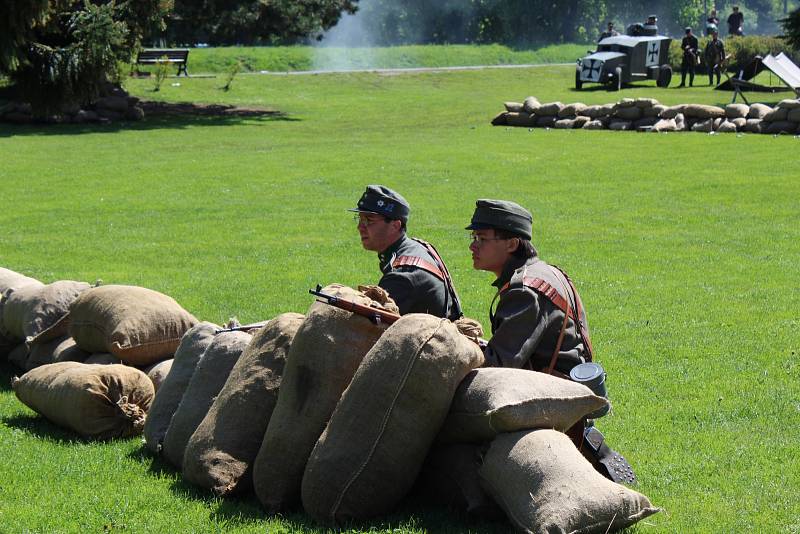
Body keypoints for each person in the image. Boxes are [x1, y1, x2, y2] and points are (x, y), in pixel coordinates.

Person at [465, 199, 636, 484]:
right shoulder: (544, 272)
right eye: (473, 238)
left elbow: (498, 363)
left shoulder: (525, 290)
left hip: (549, 398)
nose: (473, 246)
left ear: (512, 244)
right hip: (567, 388)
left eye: (482, 238)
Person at [350, 185, 462, 320]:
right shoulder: (415, 247)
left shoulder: (404, 274)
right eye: (360, 218)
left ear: (395, 226)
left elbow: (368, 325)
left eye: (369, 220)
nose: (360, 227)